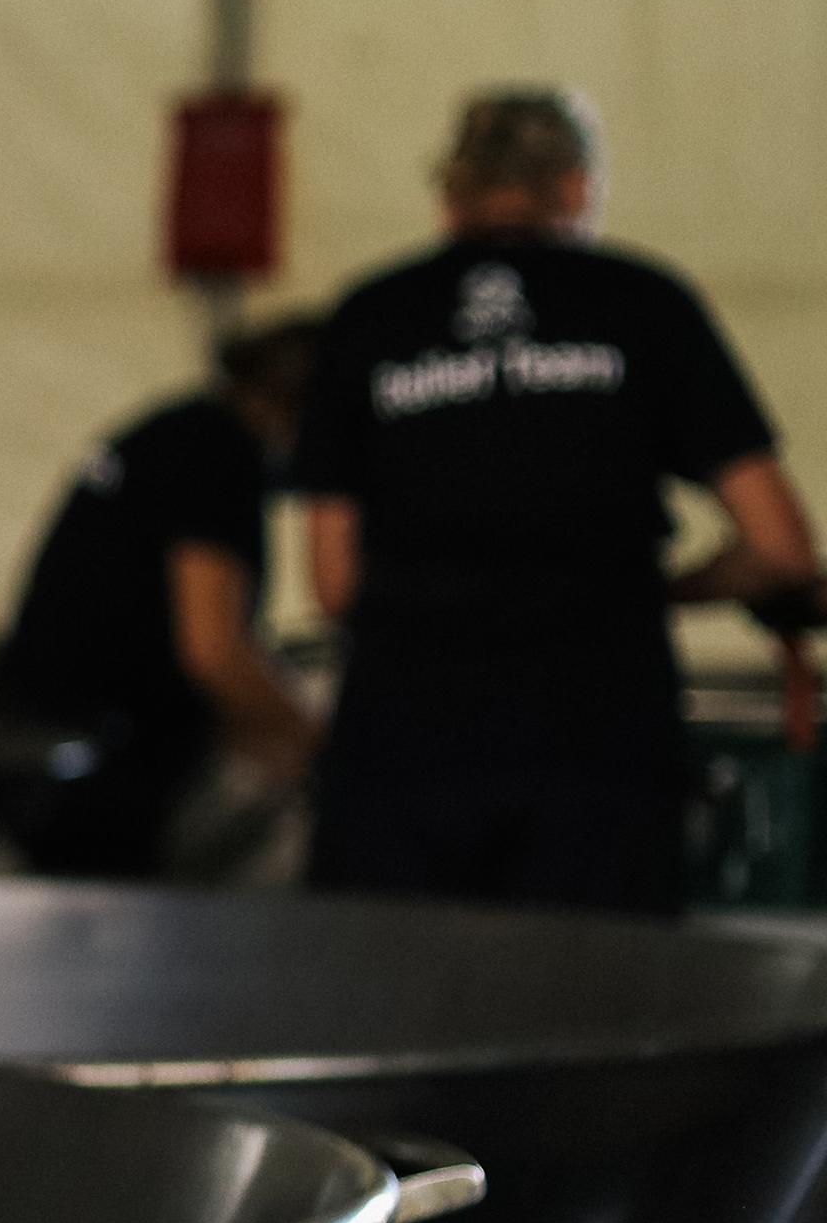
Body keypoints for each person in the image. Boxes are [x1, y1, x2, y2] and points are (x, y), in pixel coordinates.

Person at [296, 89, 820, 913]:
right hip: (597, 739)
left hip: (405, 744)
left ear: (451, 197)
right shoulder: (645, 303)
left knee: (396, 1007)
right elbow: (783, 546)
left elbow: (332, 584)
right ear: (575, 189)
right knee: (594, 1014)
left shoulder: (372, 316)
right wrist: (665, 589)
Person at [0, 317, 320, 877]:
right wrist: (321, 753)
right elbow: (212, 650)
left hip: (63, 731)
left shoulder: (181, 431)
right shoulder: (217, 454)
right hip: (104, 755)